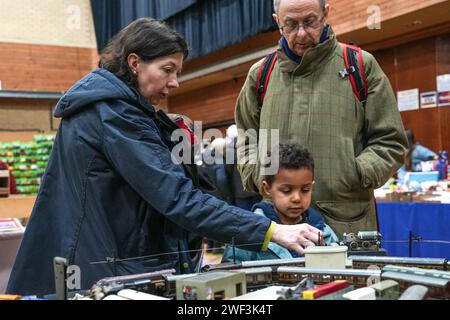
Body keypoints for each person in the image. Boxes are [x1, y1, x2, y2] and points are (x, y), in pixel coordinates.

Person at [7, 18, 322, 297]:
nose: (175, 83)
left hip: (109, 264)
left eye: (178, 72)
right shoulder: (113, 115)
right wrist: (271, 230)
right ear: (134, 63)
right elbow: (176, 197)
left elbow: (187, 189)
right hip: (107, 271)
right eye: (167, 70)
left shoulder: (126, 113)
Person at [235, 0, 408, 237]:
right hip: (278, 229)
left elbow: (391, 141)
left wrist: (352, 173)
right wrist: (259, 175)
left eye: (309, 21)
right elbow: (247, 141)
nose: (302, 33)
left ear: (325, 14)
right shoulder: (260, 75)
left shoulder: (359, 65)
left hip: (347, 224)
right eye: (291, 24)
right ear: (277, 22)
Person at [223, 144, 338, 263]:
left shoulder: (324, 232)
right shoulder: (250, 233)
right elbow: (232, 271)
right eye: (286, 191)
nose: (297, 198)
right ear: (267, 188)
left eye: (305, 190)